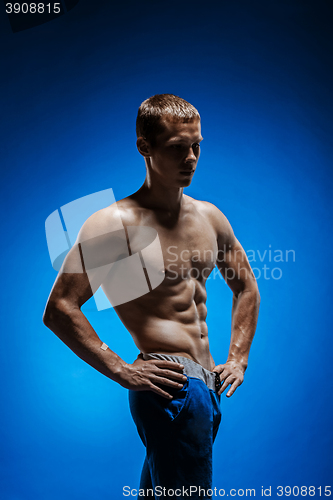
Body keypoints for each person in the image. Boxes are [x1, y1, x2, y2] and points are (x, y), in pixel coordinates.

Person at [43, 94, 260, 499]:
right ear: (145, 147)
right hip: (169, 385)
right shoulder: (115, 223)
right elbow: (59, 308)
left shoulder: (211, 217)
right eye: (178, 148)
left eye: (196, 146)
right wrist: (121, 369)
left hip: (205, 387)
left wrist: (239, 358)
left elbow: (246, 285)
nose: (191, 158)